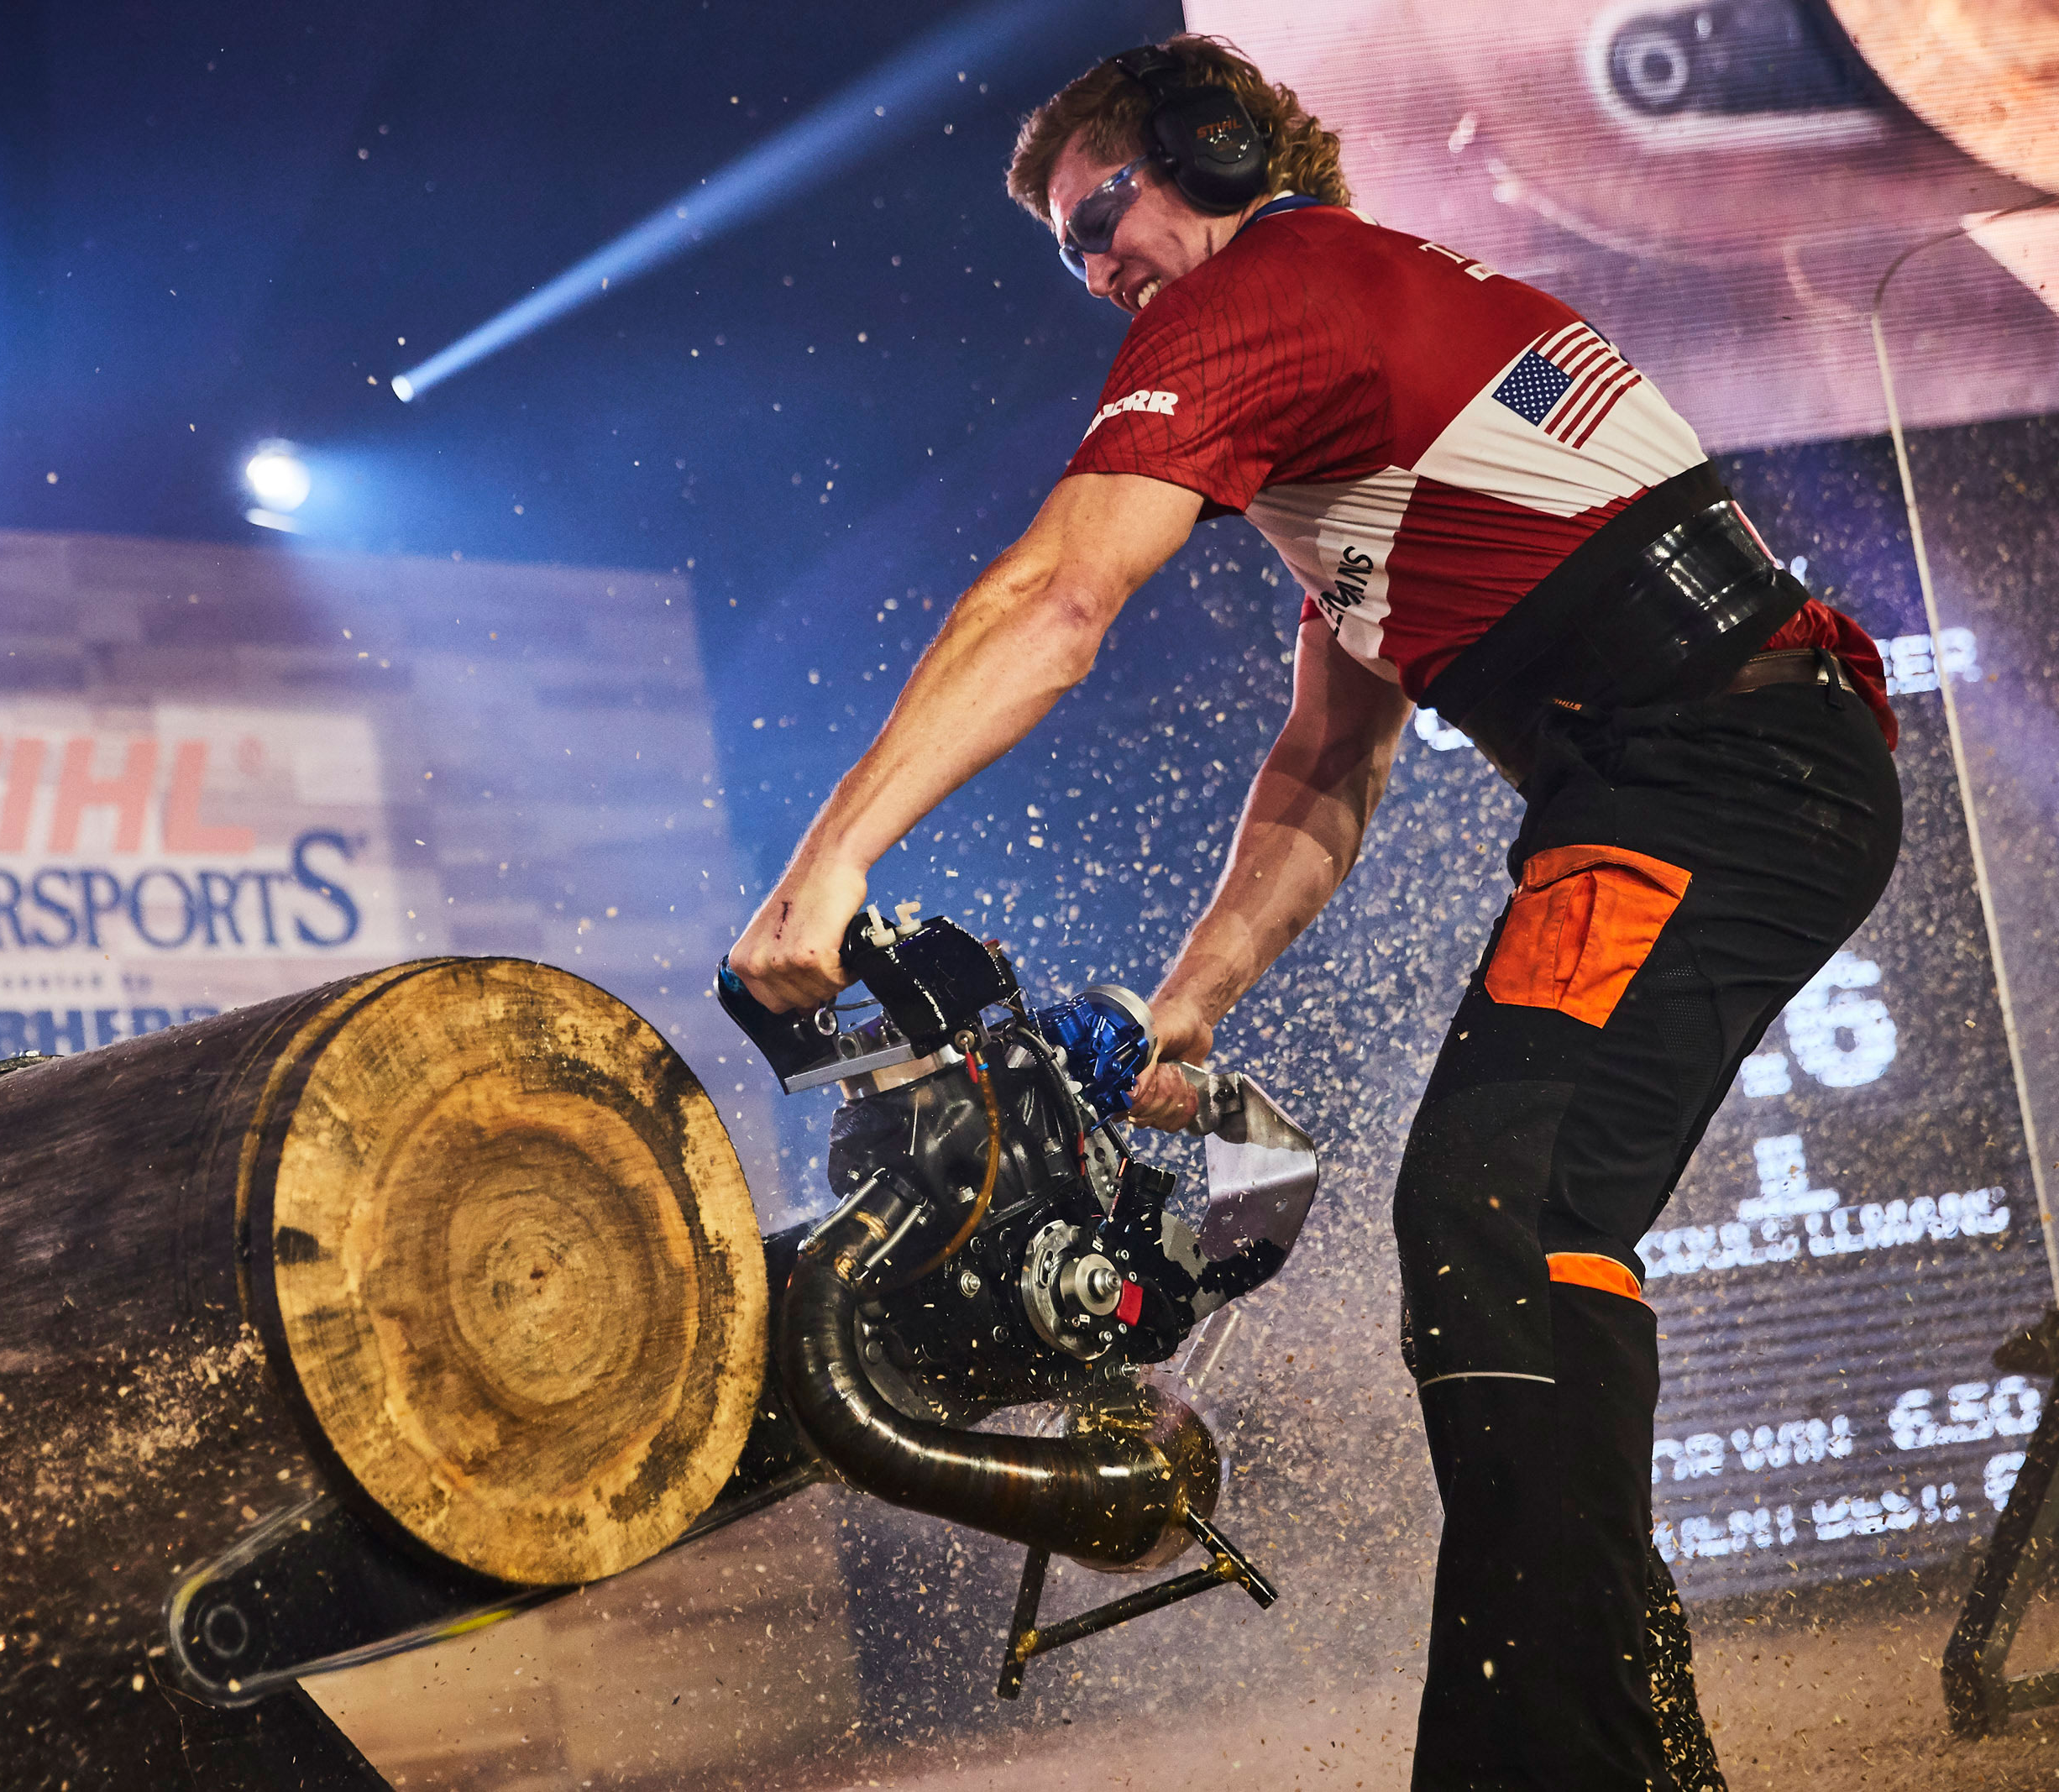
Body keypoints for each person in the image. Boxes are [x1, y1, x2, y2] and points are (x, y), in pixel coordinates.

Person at [724, 34, 1901, 1792]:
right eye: (1067, 249)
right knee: (1512, 1220)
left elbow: (1057, 594)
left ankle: (1570, 1757)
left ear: (1205, 148)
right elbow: (1322, 771)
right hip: (1706, 768)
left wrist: (831, 861)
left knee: (1495, 1213)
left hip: (1713, 767)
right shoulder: (1353, 371)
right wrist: (1187, 1004)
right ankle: (1622, 1730)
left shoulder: (1268, 288)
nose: (1093, 270)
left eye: (1096, 216)